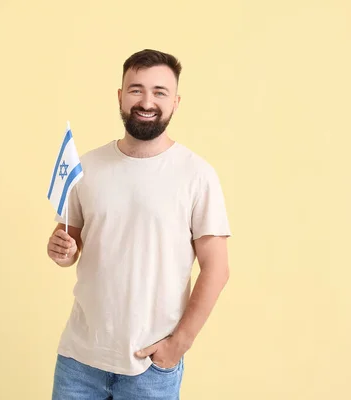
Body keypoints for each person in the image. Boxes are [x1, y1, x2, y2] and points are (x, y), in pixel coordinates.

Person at [46, 49, 231, 399]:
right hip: (79, 361)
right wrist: (61, 249)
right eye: (136, 89)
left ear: (176, 102)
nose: (147, 101)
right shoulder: (87, 167)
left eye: (159, 92)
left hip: (149, 369)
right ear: (120, 96)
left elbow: (217, 269)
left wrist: (178, 345)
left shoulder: (197, 175)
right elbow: (68, 244)